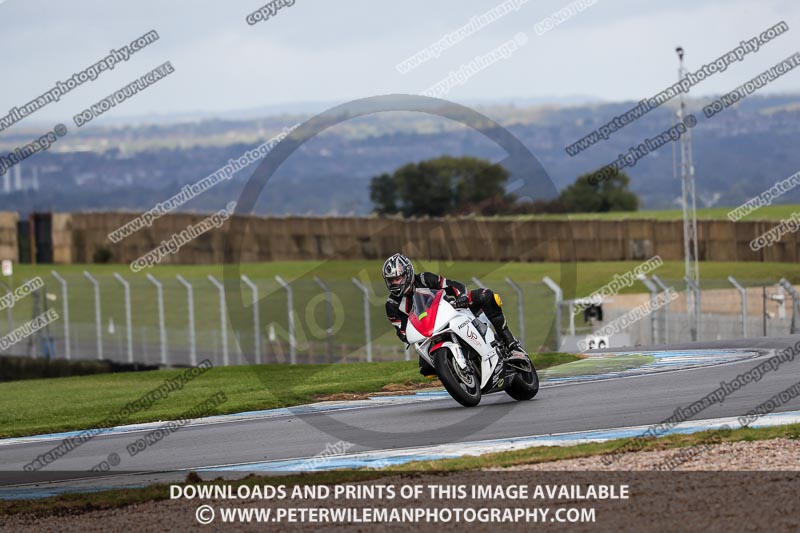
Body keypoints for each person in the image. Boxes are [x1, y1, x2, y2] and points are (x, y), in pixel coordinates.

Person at [382, 253, 530, 376]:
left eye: (398, 278)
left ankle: (512, 345)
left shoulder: (424, 279)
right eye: (391, 281)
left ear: (407, 273)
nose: (395, 284)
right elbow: (402, 332)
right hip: (428, 333)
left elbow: (452, 285)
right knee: (426, 369)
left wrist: (461, 297)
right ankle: (456, 371)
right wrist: (411, 334)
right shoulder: (392, 305)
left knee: (486, 296)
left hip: (451, 310)